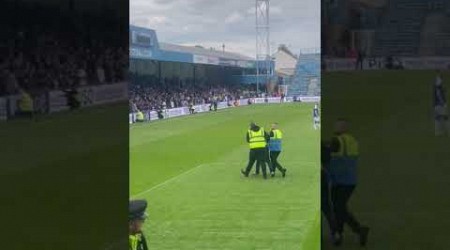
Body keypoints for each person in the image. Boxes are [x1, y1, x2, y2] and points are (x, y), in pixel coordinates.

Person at [329, 118, 369, 246]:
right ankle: (340, 235)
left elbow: (328, 150)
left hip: (340, 180)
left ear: (343, 128)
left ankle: (358, 230)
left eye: (338, 125)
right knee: (338, 207)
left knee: (339, 207)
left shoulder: (338, 141)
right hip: (349, 180)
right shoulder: (352, 141)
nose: (335, 127)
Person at [433, 71, 449, 136]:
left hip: (436, 105)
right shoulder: (438, 89)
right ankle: (448, 132)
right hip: (440, 104)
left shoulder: (437, 89)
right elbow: (439, 96)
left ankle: (437, 132)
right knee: (446, 117)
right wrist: (443, 104)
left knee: (438, 118)